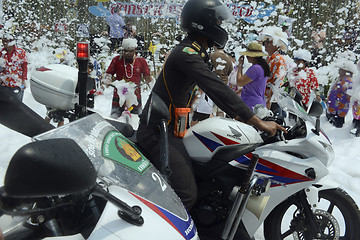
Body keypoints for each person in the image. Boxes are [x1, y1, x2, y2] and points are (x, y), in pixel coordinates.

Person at [136, 0, 286, 211]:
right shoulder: (186, 54)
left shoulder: (196, 52)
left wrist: (251, 116)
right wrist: (256, 121)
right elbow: (216, 88)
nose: (220, 26)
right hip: (157, 132)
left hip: (171, 129)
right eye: (217, 21)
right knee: (186, 195)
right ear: (203, 23)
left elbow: (214, 92)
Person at [105, 38, 153, 117]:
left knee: (136, 121)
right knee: (115, 120)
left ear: (135, 50)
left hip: (135, 97)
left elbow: (147, 77)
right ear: (122, 50)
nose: (128, 53)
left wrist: (153, 88)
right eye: (126, 51)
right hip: (119, 97)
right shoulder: (116, 60)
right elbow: (109, 73)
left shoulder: (141, 61)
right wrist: (108, 79)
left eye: (131, 51)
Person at [259, 26, 288, 114]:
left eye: (269, 42)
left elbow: (278, 83)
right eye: (265, 41)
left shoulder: (279, 59)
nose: (265, 44)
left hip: (271, 101)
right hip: (263, 96)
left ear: (276, 44)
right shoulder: (268, 58)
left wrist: (269, 100)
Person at [236, 42, 270, 111]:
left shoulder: (255, 68)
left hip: (251, 104)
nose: (246, 57)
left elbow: (239, 82)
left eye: (248, 55)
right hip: (258, 104)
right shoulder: (262, 67)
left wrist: (240, 66)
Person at [326, 60, 357, 128]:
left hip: (339, 110)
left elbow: (348, 93)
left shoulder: (347, 81)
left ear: (346, 71)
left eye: (341, 69)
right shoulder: (340, 79)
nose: (339, 70)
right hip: (334, 109)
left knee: (337, 127)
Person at [0, 33, 28, 102]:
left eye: (6, 41)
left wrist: (24, 80)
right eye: (3, 41)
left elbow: (24, 67)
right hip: (4, 84)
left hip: (17, 83)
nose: (4, 43)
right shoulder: (1, 53)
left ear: (12, 41)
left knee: (17, 106)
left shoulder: (20, 52)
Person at [210, 44, 233, 116]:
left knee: (210, 110)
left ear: (214, 46)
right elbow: (230, 72)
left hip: (211, 84)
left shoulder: (211, 56)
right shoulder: (229, 59)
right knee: (221, 109)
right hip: (223, 85)